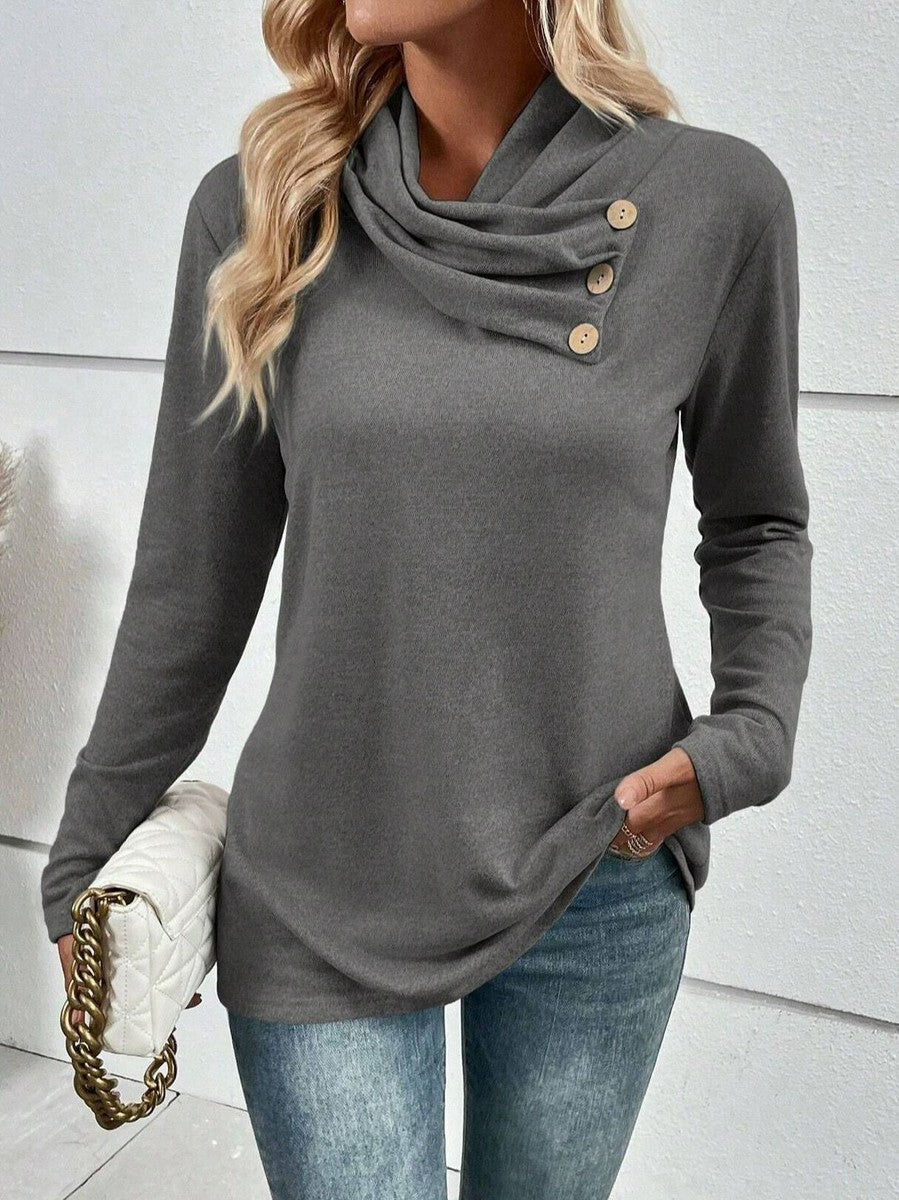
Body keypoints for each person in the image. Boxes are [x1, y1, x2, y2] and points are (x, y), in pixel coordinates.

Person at [42, 1, 814, 1196]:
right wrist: (86, 854)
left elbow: (756, 517)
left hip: (596, 860)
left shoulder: (715, 204)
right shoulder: (266, 209)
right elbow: (192, 575)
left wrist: (751, 734)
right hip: (320, 879)